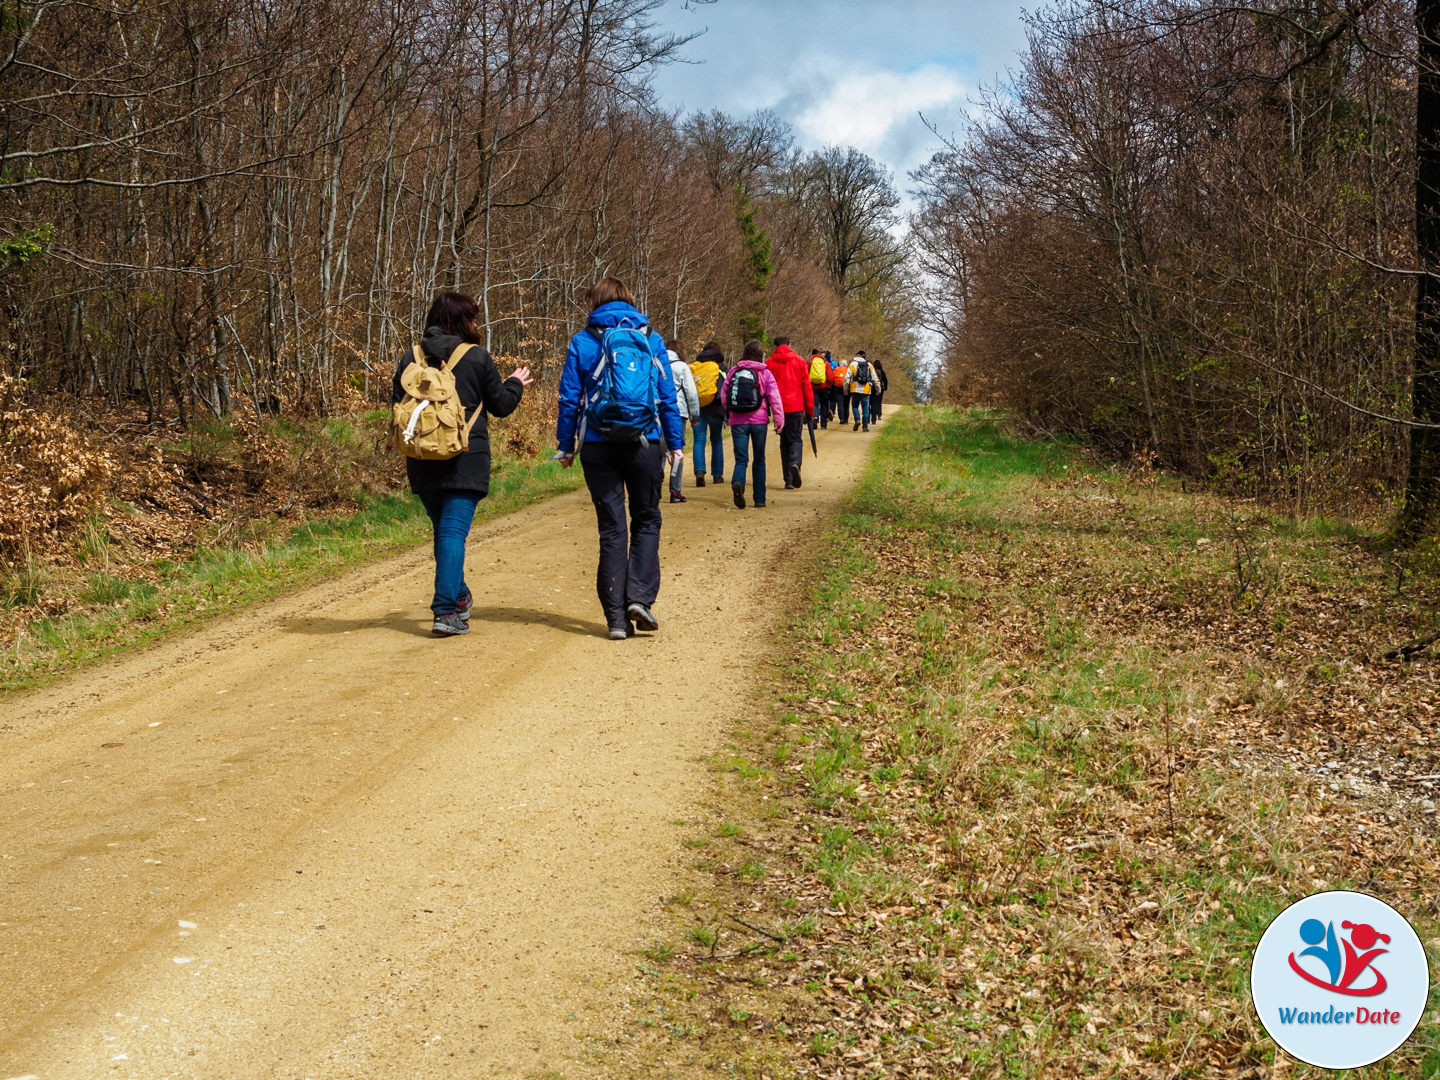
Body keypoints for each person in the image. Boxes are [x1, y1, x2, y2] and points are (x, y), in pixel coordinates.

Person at [392, 291, 533, 636]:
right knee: (453, 533)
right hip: (465, 457)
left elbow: (397, 408)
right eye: (473, 317)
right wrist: (515, 383)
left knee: (444, 534)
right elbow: (500, 405)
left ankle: (458, 597)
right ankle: (445, 612)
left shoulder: (409, 359)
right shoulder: (476, 357)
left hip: (421, 458)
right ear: (463, 321)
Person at [556, 277, 685, 640]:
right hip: (646, 441)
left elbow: (569, 399)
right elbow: (666, 398)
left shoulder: (582, 341)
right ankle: (640, 598)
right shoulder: (651, 340)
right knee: (646, 519)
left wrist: (566, 445)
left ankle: (616, 620)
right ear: (629, 301)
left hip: (598, 444)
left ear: (594, 303)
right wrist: (675, 444)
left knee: (612, 530)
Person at [720, 339, 784, 509]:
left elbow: (724, 395)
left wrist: (731, 411)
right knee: (759, 459)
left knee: (741, 459)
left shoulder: (734, 371)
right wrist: (779, 421)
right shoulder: (765, 374)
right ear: (761, 355)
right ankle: (759, 499)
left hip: (738, 421)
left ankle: (738, 482)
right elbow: (775, 399)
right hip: (759, 421)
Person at [765, 336, 815, 489]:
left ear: (775, 346)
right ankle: (795, 463)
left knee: (784, 443)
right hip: (796, 407)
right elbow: (806, 387)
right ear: (789, 345)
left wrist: (766, 408)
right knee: (795, 439)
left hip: (778, 408)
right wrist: (810, 410)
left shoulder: (769, 363)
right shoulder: (799, 361)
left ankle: (788, 480)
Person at [690, 341, 727, 487]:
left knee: (699, 440)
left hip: (699, 408)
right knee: (716, 440)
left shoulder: (696, 366)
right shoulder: (722, 367)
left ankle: (699, 472)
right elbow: (726, 389)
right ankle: (717, 475)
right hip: (716, 409)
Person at [667, 344, 700, 503]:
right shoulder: (682, 367)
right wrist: (695, 415)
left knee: (658, 451)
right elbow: (691, 394)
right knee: (676, 450)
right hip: (677, 413)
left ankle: (653, 489)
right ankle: (675, 491)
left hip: (656, 412)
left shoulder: (655, 363)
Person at [847, 350, 875, 431]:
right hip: (866, 390)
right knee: (865, 409)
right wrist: (878, 388)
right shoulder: (869, 365)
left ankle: (857, 419)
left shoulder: (852, 364)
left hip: (855, 389)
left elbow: (846, 378)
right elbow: (875, 378)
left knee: (855, 406)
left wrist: (845, 388)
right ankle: (865, 426)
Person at [809, 347, 831, 429]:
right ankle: (823, 425)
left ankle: (815, 417)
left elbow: (807, 372)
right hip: (823, 386)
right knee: (824, 405)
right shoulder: (826, 363)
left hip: (813, 386)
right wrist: (828, 386)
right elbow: (829, 377)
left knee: (815, 403)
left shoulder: (811, 362)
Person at [832, 350, 850, 428]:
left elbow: (832, 379)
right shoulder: (848, 369)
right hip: (847, 389)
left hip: (838, 388)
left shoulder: (836, 369)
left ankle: (841, 418)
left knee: (840, 404)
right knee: (846, 404)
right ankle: (846, 419)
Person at [870, 356, 889, 421]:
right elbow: (885, 380)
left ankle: (873, 414)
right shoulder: (882, 371)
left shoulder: (872, 371)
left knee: (872, 402)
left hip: (873, 388)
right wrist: (885, 387)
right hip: (880, 388)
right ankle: (879, 414)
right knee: (879, 401)